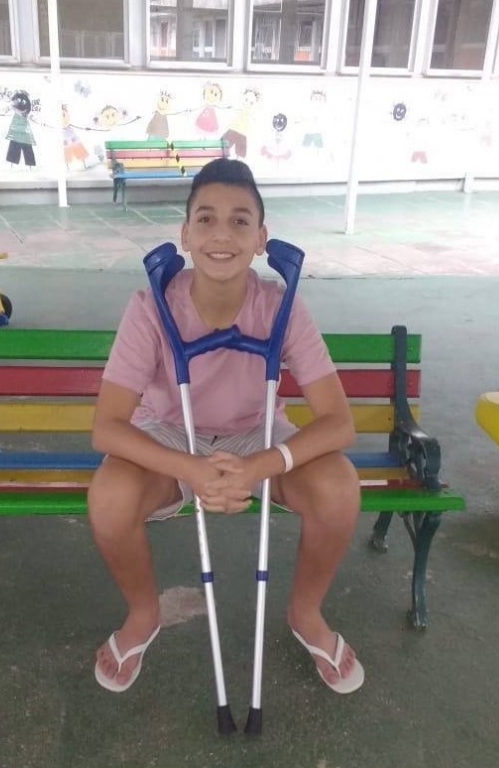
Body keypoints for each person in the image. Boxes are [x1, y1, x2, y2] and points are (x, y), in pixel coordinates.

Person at [88, 157, 364, 696]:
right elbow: (108, 428)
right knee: (109, 496)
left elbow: (339, 422)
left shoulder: (282, 306)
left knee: (339, 485)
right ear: (185, 234)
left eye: (240, 221)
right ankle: (143, 613)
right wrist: (190, 468)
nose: (222, 234)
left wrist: (260, 464)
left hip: (255, 434)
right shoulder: (150, 307)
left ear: (261, 238)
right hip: (171, 433)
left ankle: (306, 612)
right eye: (206, 219)